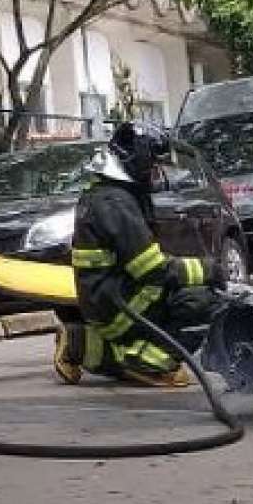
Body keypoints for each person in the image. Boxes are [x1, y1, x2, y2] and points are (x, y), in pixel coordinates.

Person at [53, 121, 224, 387]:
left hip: (107, 303)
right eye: (154, 166)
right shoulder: (116, 202)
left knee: (182, 295)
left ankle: (79, 343)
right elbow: (152, 270)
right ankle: (149, 365)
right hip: (120, 307)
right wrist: (209, 270)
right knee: (204, 303)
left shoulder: (105, 194)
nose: (157, 174)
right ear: (138, 162)